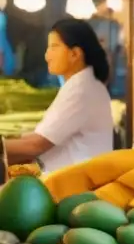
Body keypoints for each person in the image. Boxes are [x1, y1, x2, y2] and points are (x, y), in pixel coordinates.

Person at [5, 19, 113, 171]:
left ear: (75, 54)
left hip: (77, 187)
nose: (47, 56)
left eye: (54, 47)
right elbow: (40, 138)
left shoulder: (81, 89)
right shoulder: (81, 85)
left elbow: (36, 145)